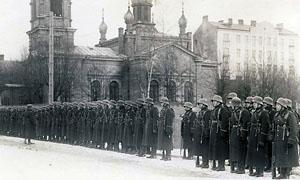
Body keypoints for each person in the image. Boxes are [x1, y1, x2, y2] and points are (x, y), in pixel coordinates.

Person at [273, 98, 299, 179]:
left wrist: (291, 139)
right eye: (276, 105)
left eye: (278, 105)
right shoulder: (277, 114)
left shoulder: (290, 114)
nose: (276, 106)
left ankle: (286, 173)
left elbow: (294, 128)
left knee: (287, 157)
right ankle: (282, 173)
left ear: (283, 106)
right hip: (279, 139)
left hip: (286, 139)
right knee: (281, 156)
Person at [246, 96, 270, 177]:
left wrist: (262, 139)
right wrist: (249, 135)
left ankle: (260, 171)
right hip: (253, 135)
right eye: (254, 103)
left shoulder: (264, 113)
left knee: (260, 153)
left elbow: (265, 126)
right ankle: (257, 170)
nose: (254, 105)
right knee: (254, 153)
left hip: (259, 135)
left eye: (255, 103)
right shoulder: (254, 112)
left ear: (259, 104)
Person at [229, 97, 250, 174]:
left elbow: (245, 124)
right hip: (234, 132)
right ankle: (235, 166)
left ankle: (241, 168)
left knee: (241, 151)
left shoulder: (244, 112)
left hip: (240, 133)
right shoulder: (234, 112)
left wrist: (243, 134)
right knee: (234, 150)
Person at [209, 95, 230, 171]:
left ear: (218, 102)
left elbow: (225, 121)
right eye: (213, 101)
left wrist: (223, 131)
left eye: (215, 101)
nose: (213, 103)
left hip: (220, 132)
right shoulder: (214, 110)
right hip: (214, 131)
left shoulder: (223, 109)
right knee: (215, 148)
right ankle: (215, 164)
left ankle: (221, 165)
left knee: (221, 149)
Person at [194, 98, 211, 168]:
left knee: (205, 148)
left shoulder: (207, 112)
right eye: (199, 104)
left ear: (204, 104)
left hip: (205, 132)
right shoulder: (200, 112)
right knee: (200, 148)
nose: (199, 105)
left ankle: (206, 162)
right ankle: (203, 161)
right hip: (199, 132)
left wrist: (206, 132)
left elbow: (207, 123)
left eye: (201, 104)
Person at [262, 97, 276, 172]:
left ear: (269, 104)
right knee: (267, 150)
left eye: (265, 103)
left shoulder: (273, 112)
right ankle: (267, 165)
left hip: (271, 133)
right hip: (266, 132)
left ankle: (270, 166)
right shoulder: (265, 112)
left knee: (271, 151)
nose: (264, 105)